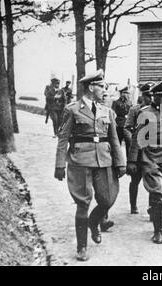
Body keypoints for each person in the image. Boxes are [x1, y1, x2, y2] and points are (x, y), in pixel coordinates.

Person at [54, 69, 126, 261]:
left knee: (108, 198)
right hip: (80, 160)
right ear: (90, 87)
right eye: (102, 86)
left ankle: (94, 223)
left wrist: (120, 163)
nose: (105, 90)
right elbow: (63, 138)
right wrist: (59, 164)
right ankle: (82, 247)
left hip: (104, 159)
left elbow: (114, 139)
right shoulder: (72, 109)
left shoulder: (107, 111)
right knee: (83, 202)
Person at [127, 79, 162, 244]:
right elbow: (136, 138)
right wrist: (132, 160)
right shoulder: (145, 113)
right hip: (150, 158)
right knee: (158, 192)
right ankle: (158, 230)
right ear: (154, 97)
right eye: (161, 97)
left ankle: (153, 210)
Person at [124, 81, 155, 214]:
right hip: (137, 152)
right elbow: (127, 128)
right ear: (143, 96)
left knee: (153, 181)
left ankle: (152, 208)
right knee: (135, 179)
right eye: (148, 95)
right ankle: (133, 205)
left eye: (152, 95)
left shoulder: (157, 111)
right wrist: (134, 143)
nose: (150, 98)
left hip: (151, 152)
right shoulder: (135, 110)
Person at [111, 86, 133, 156]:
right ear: (121, 94)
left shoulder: (130, 102)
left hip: (127, 126)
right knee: (117, 144)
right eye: (125, 93)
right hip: (119, 125)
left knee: (129, 143)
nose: (127, 95)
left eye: (127, 93)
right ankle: (116, 162)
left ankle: (129, 161)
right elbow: (113, 113)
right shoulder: (116, 102)